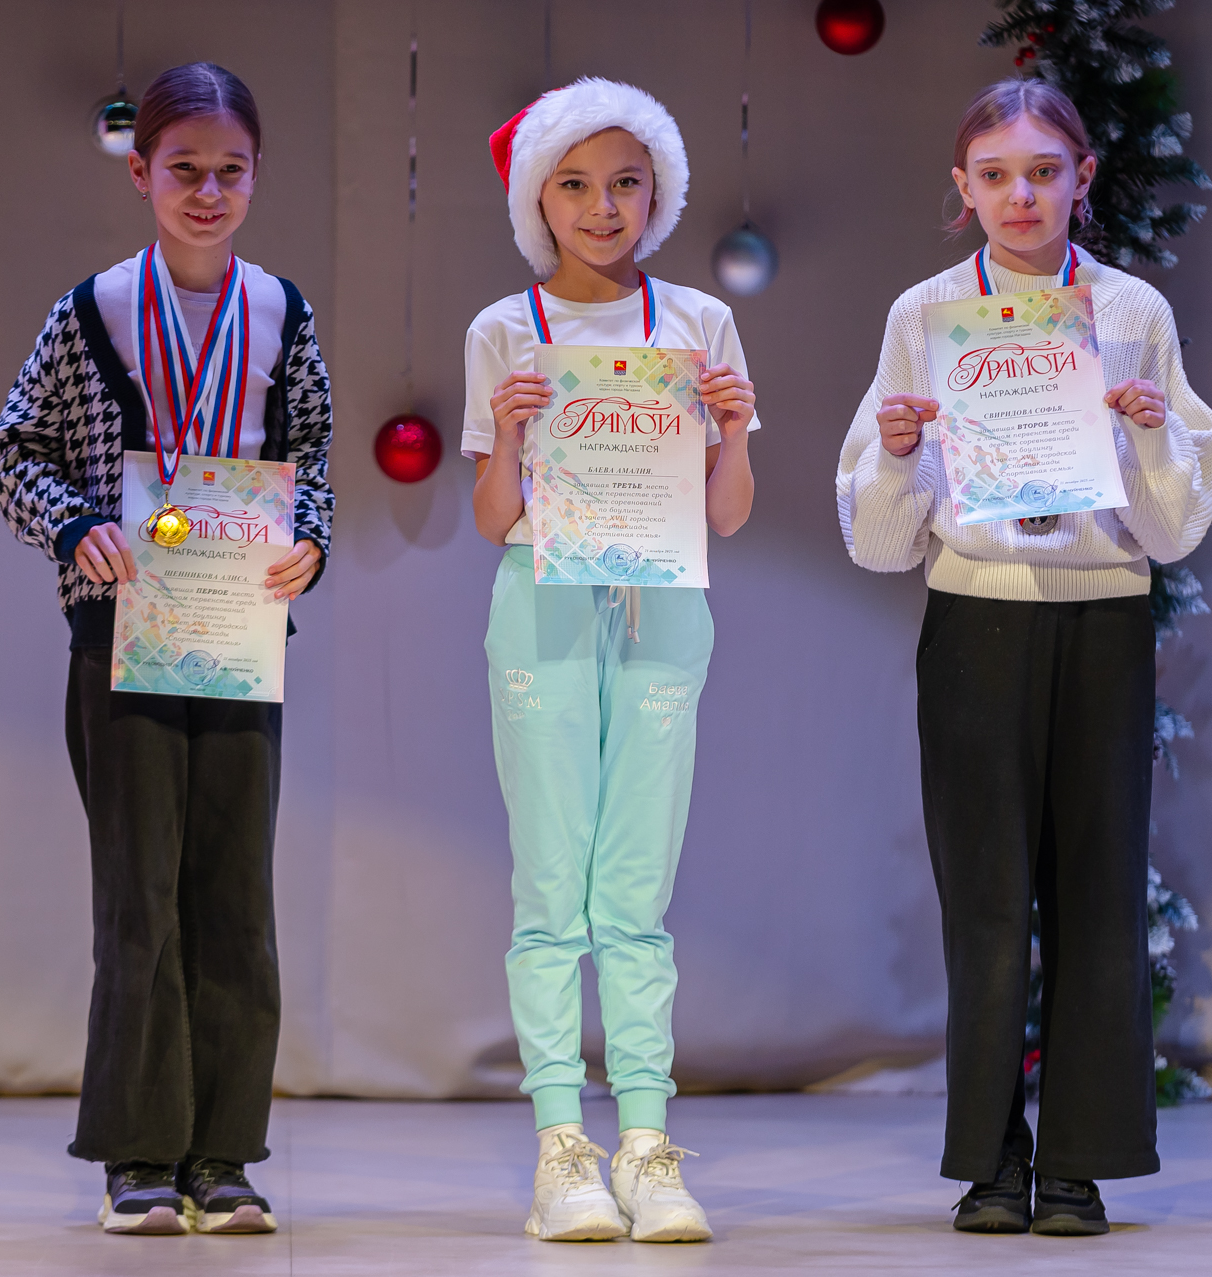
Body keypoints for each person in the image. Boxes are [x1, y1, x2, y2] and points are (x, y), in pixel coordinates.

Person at [835, 79, 1212, 1236]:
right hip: (977, 618)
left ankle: (1079, 1162)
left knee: (1098, 893)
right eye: (996, 175)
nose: (1020, 195)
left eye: (1044, 172)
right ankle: (993, 1159)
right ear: (963, 187)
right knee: (986, 898)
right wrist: (898, 452)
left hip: (1102, 618)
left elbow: (1173, 529)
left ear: (1082, 178)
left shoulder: (1132, 312)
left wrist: (1148, 430)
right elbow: (877, 539)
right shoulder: (925, 314)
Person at [0, 61, 333, 1237]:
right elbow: (9, 449)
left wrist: (311, 542)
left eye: (231, 171)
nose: (208, 192)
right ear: (140, 171)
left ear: (257, 176)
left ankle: (222, 1156)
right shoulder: (91, 311)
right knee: (141, 896)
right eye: (185, 169)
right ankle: (138, 1155)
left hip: (237, 632)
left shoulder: (282, 312)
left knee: (234, 893)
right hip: (119, 631)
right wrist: (72, 524)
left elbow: (313, 462)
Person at [464, 78, 758, 1243]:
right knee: (552, 886)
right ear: (538, 200)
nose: (602, 207)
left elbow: (726, 514)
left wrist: (734, 430)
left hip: (664, 607)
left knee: (636, 887)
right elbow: (493, 514)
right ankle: (560, 1149)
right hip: (542, 603)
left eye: (626, 183)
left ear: (659, 192)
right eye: (576, 185)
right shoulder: (506, 328)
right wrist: (511, 429)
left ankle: (646, 1144)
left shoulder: (698, 323)